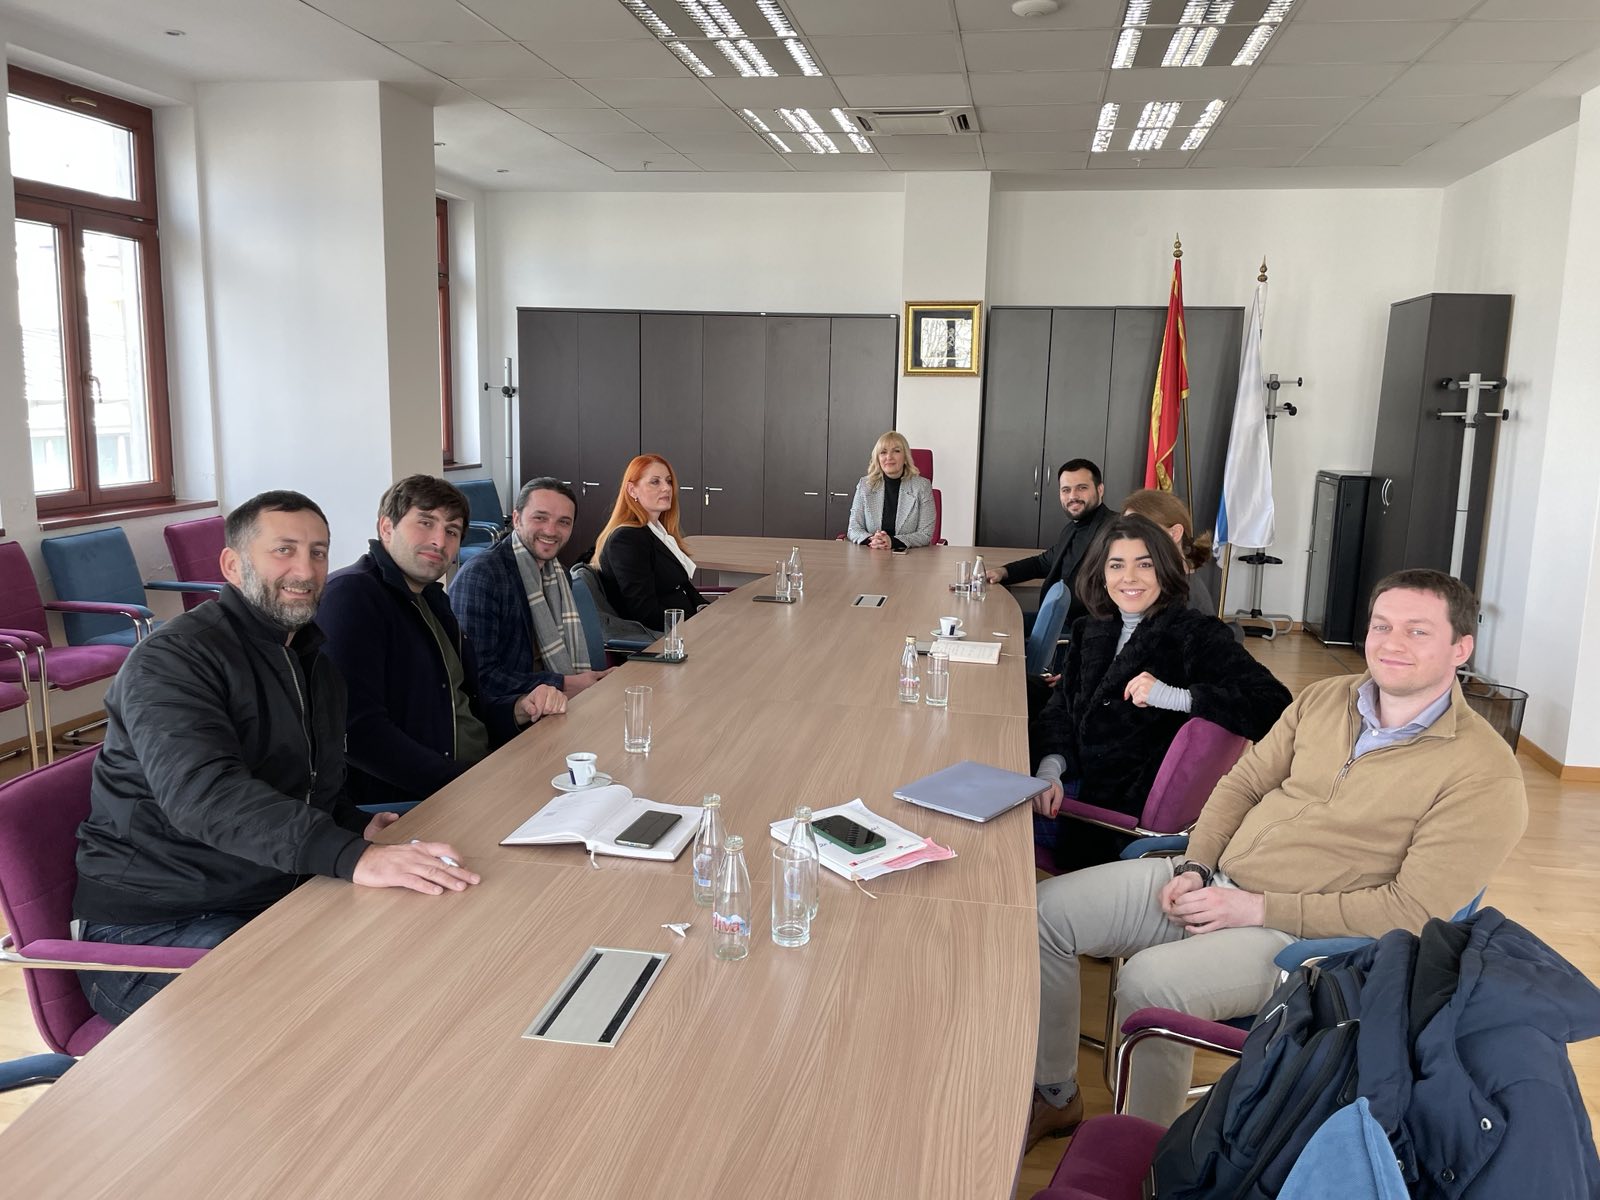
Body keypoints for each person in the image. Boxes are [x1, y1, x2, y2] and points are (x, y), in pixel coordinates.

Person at [1028, 568, 1528, 1148]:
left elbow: (1413, 912)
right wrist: (1195, 865)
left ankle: (1144, 1153)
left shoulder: (1484, 774)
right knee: (1044, 914)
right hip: (1215, 878)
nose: (1392, 643)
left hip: (1303, 940)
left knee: (1151, 982)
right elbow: (1241, 784)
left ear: (1461, 648)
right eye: (1382, 625)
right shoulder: (1327, 698)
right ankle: (1056, 1094)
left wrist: (1256, 908)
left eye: (1418, 631)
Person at [74, 491, 481, 1024]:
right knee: (333, 1019)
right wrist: (351, 856)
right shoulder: (172, 660)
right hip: (155, 928)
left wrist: (356, 827)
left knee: (431, 957)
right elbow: (206, 797)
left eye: (318, 552)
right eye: (283, 550)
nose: (305, 571)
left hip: (272, 893)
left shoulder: (312, 662)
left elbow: (310, 785)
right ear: (232, 564)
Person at [1030, 514, 1290, 870]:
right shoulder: (1089, 629)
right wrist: (1049, 770)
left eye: (1145, 565)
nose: (1129, 577)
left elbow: (1275, 704)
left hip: (1111, 818)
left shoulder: (1195, 634)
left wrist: (1177, 697)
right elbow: (1060, 709)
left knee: (984, 816)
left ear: (1165, 571)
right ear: (1102, 574)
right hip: (1066, 784)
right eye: (1116, 565)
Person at [318, 475, 567, 811]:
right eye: (425, 523)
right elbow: (359, 734)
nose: (439, 540)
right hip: (414, 802)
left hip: (478, 773)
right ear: (386, 528)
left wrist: (519, 707)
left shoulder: (431, 599)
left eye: (451, 531)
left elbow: (464, 704)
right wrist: (465, 783)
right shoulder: (351, 597)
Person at [449, 477, 612, 717]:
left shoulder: (559, 575)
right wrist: (564, 683)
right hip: (507, 719)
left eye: (563, 522)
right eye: (540, 518)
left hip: (554, 706)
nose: (551, 530)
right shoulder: (482, 576)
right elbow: (478, 677)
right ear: (516, 519)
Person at [987, 458, 1113, 629]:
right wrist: (1002, 572)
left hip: (1081, 631)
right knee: (994, 620)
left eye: (1082, 488)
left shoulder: (1115, 529)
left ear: (1100, 489)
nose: (1073, 496)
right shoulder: (1072, 529)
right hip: (1054, 619)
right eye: (1066, 490)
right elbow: (1041, 563)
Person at [593, 454, 707, 632]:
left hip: (685, 626)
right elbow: (645, 612)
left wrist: (709, 612)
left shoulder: (658, 532)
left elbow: (683, 586)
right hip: (665, 638)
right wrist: (695, 627)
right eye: (655, 482)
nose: (666, 488)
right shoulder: (626, 539)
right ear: (632, 490)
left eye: (668, 481)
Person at [846, 430, 936, 549]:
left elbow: (925, 534)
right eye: (883, 452)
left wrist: (892, 541)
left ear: (905, 457)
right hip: (871, 553)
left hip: (908, 556)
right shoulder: (865, 485)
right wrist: (872, 540)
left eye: (896, 451)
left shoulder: (922, 487)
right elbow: (853, 529)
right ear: (878, 458)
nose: (889, 457)